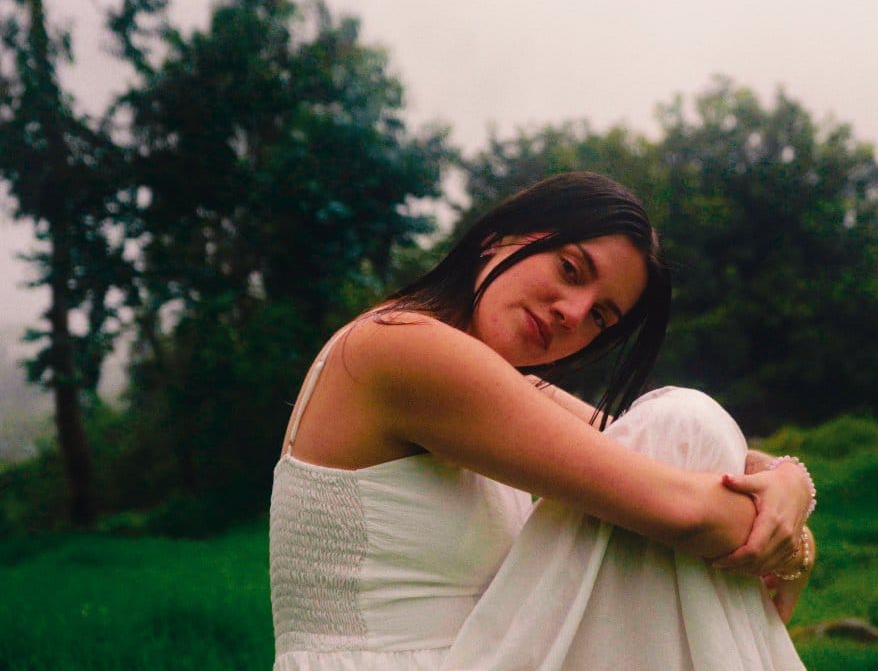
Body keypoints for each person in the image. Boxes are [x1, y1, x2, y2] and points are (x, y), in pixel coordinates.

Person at [270, 172, 815, 670]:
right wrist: (784, 531)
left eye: (600, 316)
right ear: (500, 236)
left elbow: (665, 459)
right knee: (685, 418)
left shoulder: (496, 383)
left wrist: (789, 480)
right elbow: (686, 510)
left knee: (686, 425)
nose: (573, 314)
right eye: (570, 269)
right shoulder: (403, 349)